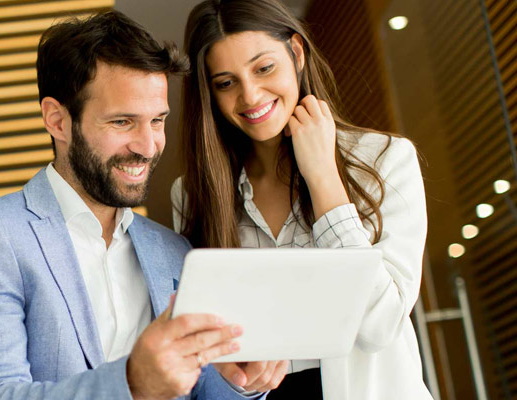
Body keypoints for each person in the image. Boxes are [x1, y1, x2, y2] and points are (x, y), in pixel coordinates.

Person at [0, 10, 279, 400]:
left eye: (157, 121)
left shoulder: (173, 251)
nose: (148, 147)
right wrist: (133, 384)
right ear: (57, 120)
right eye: (122, 122)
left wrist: (239, 382)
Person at [171, 1, 431, 399]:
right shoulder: (192, 196)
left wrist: (324, 177)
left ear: (296, 52)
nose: (250, 95)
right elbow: (208, 346)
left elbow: (381, 323)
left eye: (264, 68)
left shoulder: (384, 161)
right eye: (226, 83)